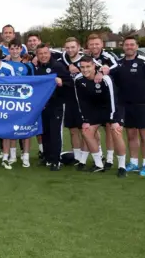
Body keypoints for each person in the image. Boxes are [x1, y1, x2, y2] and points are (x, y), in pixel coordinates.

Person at [113, 36, 145, 178]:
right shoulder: (118, 63)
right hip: (126, 105)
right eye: (127, 45)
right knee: (131, 134)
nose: (129, 47)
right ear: (123, 47)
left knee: (144, 134)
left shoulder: (144, 62)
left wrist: (144, 94)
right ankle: (133, 162)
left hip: (142, 104)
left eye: (132, 45)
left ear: (136, 46)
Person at [73, 56, 127, 178]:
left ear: (94, 66)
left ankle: (122, 166)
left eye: (88, 67)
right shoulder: (78, 79)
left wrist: (113, 120)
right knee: (86, 132)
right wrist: (85, 120)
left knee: (116, 131)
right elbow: (81, 101)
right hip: (95, 110)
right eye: (82, 67)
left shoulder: (105, 79)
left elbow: (113, 99)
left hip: (113, 108)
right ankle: (99, 164)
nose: (85, 70)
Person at [34, 43, 73, 171]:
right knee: (45, 132)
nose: (43, 56)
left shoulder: (58, 66)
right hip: (43, 106)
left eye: (45, 53)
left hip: (56, 105)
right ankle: (47, 156)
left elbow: (69, 83)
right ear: (37, 55)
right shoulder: (37, 68)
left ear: (49, 53)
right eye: (40, 54)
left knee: (55, 132)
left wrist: (62, 82)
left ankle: (56, 160)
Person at [86, 33, 120, 169]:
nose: (94, 46)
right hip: (93, 98)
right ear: (88, 45)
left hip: (107, 98)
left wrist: (104, 70)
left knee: (109, 128)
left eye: (97, 44)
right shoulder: (87, 58)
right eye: (91, 44)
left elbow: (117, 67)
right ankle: (98, 155)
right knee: (91, 128)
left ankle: (110, 159)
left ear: (102, 45)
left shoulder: (108, 57)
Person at [5, 39, 35, 167]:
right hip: (10, 102)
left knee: (25, 129)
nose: (15, 51)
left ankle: (26, 156)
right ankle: (12, 156)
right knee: (11, 128)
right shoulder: (4, 64)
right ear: (8, 50)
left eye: (17, 48)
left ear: (21, 49)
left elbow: (34, 83)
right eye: (12, 48)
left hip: (24, 101)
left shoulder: (28, 66)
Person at [59, 37, 86, 164]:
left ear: (79, 47)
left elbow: (99, 70)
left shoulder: (86, 61)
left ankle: (97, 154)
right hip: (68, 101)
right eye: (67, 47)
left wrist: (80, 69)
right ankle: (77, 157)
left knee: (86, 130)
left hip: (84, 102)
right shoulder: (61, 62)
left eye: (73, 47)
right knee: (73, 130)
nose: (70, 50)